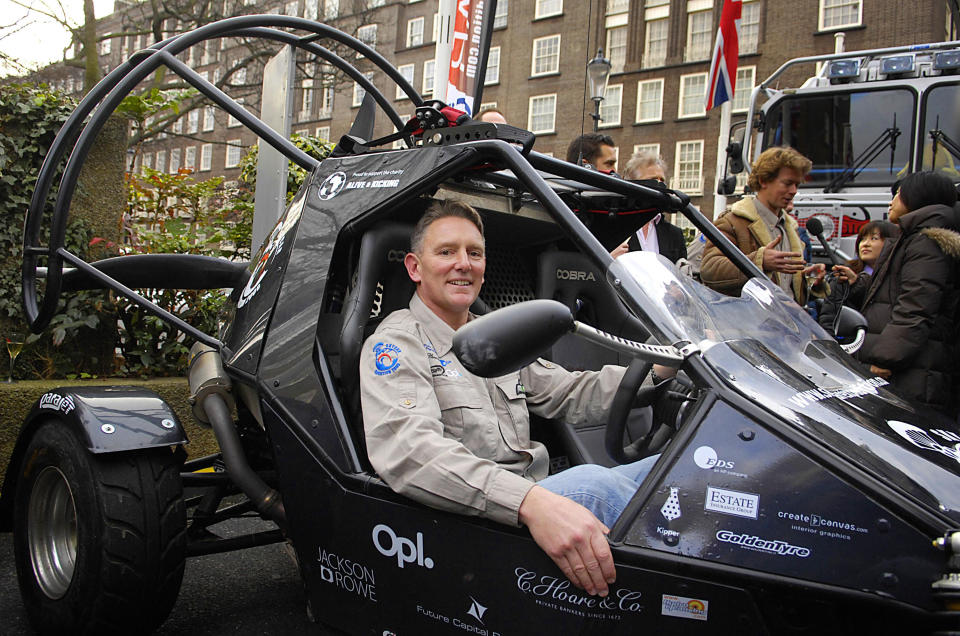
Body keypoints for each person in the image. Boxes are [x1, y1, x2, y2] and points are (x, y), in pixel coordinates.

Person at [359, 200, 661, 598]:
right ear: (415, 267)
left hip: (532, 496)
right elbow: (411, 452)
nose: (463, 264)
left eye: (475, 253)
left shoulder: (494, 336)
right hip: (477, 519)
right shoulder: (395, 345)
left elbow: (569, 392)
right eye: (447, 252)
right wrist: (530, 502)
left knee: (675, 468)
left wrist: (659, 370)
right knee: (594, 487)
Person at [853, 172, 960, 417]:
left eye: (899, 195)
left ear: (917, 197)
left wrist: (885, 359)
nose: (892, 201)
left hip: (912, 370)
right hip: (912, 364)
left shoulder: (927, 242)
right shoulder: (914, 238)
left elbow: (916, 306)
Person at [701, 146, 826, 306]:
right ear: (763, 180)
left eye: (797, 185)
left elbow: (785, 287)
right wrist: (759, 261)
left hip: (788, 324)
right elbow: (709, 270)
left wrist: (807, 279)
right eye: (788, 183)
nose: (794, 191)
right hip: (749, 326)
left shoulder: (790, 227)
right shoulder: (732, 221)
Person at [817, 221, 899, 334]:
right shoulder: (843, 277)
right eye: (862, 239)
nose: (865, 244)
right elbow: (828, 319)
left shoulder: (899, 279)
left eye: (874, 238)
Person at [611, 151, 688, 265]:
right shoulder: (611, 228)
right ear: (631, 183)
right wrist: (609, 259)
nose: (659, 186)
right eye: (652, 180)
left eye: (662, 180)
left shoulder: (674, 235)